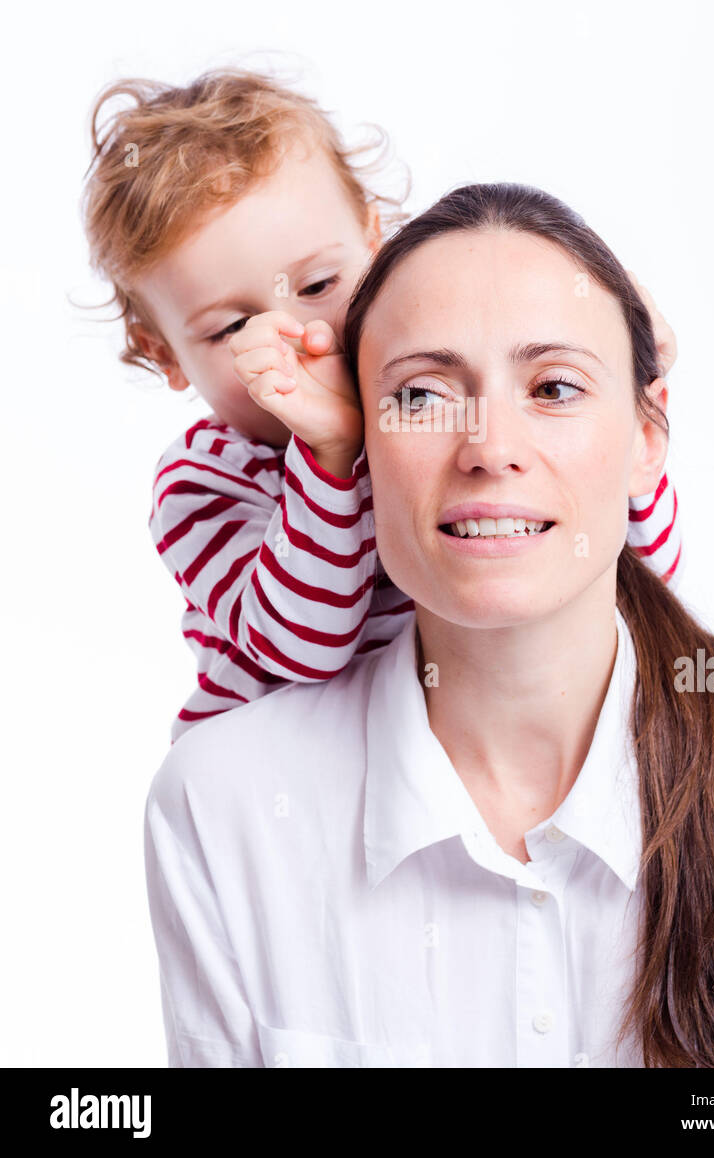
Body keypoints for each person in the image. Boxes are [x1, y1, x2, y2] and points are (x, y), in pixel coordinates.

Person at [144, 182, 714, 1070]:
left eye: (555, 387)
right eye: (420, 397)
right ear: (359, 447)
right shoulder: (220, 806)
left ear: (648, 437)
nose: (489, 446)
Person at [82, 70, 681, 740]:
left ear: (377, 244)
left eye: (319, 284)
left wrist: (626, 380)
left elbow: (640, 580)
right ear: (162, 353)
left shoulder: (441, 410)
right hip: (291, 779)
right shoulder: (200, 485)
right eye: (230, 329)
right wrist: (331, 456)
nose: (297, 338)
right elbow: (302, 648)